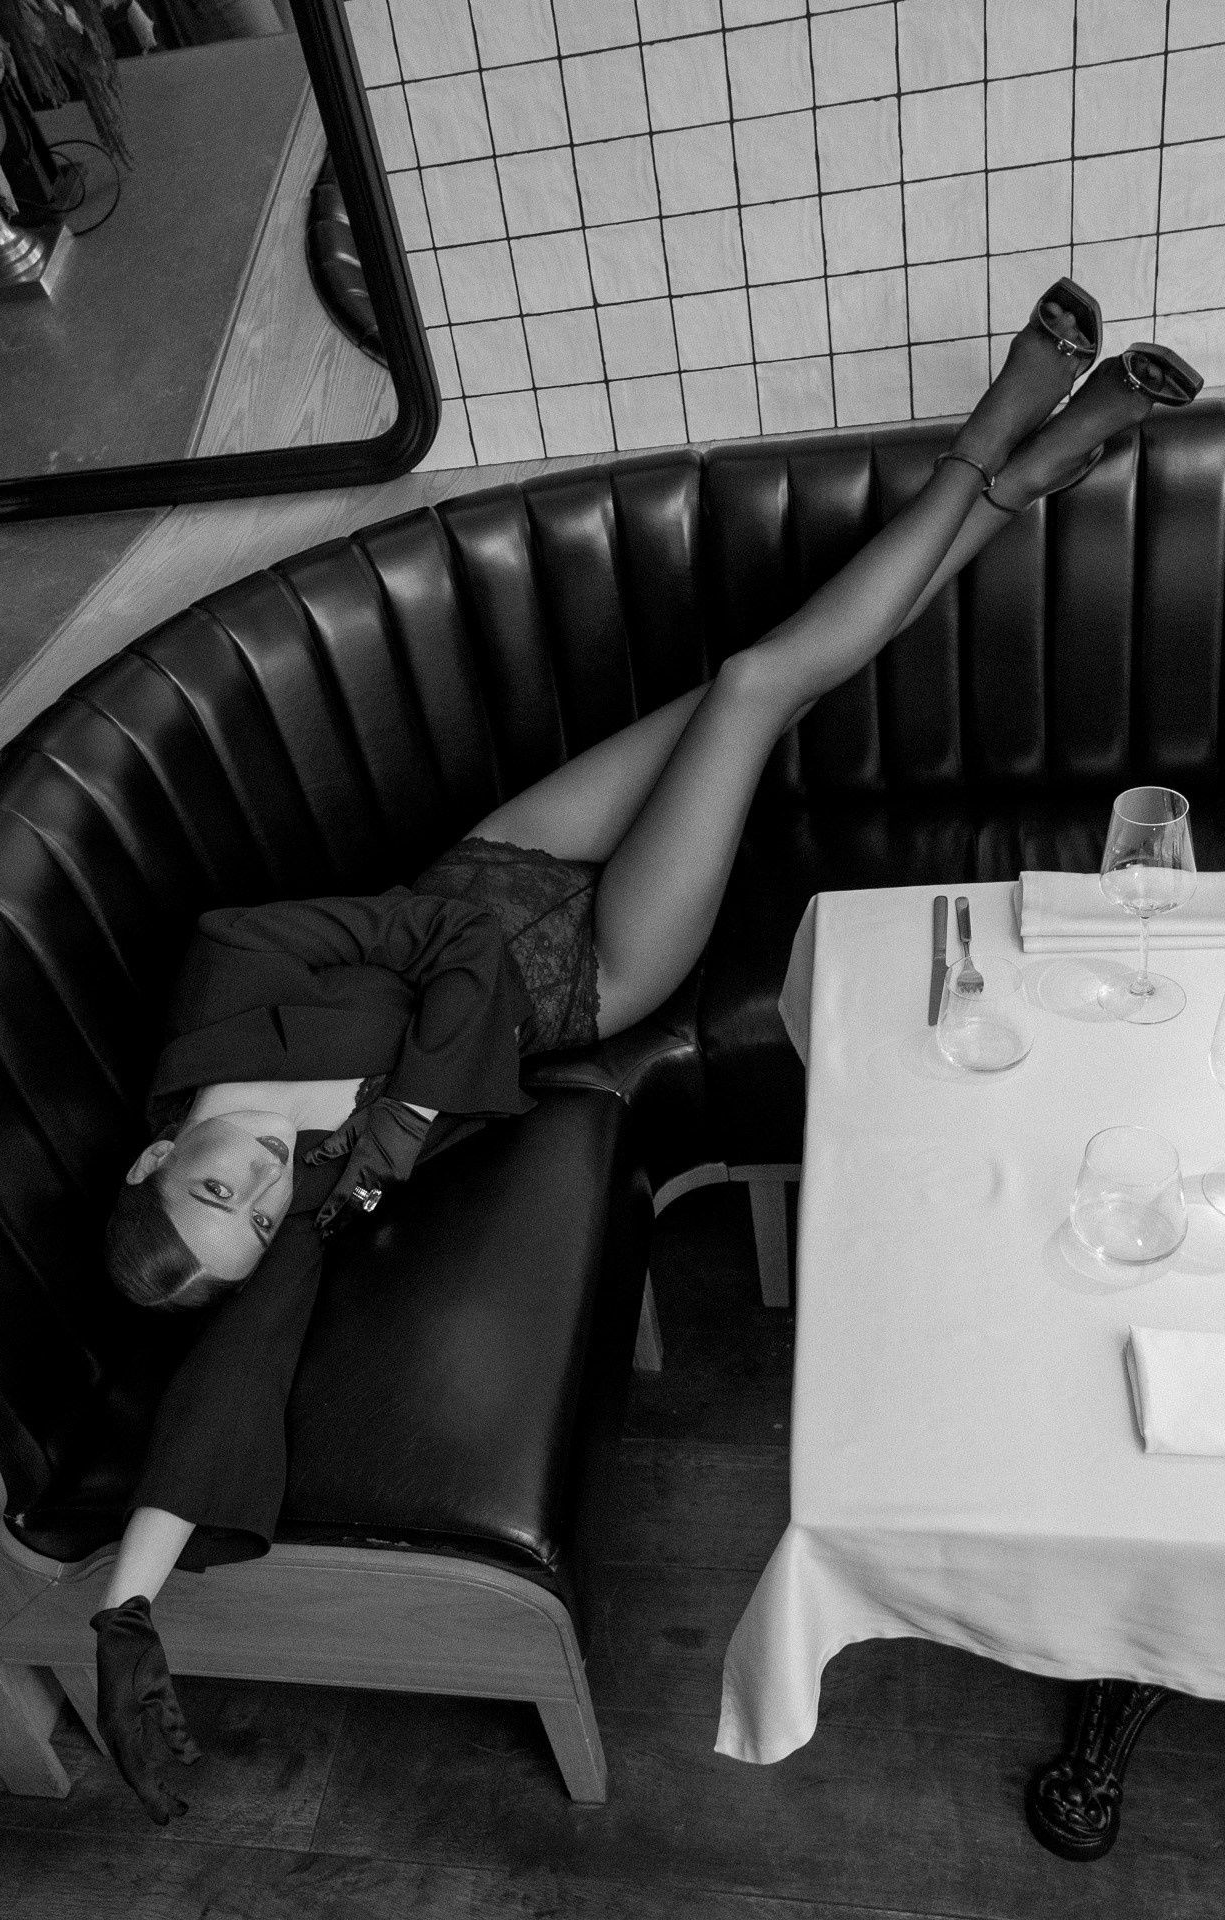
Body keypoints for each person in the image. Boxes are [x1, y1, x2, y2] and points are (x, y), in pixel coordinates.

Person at [90, 285, 1203, 1820]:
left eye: (220, 1188)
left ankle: (1026, 465)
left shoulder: (228, 969)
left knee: (776, 667)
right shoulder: (302, 1202)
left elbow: (438, 940)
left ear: (159, 1149)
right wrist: (127, 1614)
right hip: (594, 968)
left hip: (493, 874)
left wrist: (408, 1098)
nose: (269, 1193)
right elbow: (228, 1380)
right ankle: (1020, 442)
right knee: (758, 685)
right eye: (259, 1222)